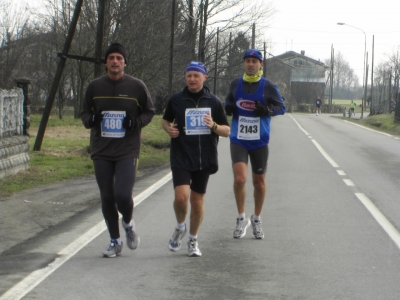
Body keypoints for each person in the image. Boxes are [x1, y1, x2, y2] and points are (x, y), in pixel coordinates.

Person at [81, 43, 155, 257]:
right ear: (106, 62)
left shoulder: (136, 86)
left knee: (122, 195)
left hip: (127, 149)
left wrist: (135, 123)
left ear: (124, 62)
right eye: (111, 58)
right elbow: (84, 114)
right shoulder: (94, 87)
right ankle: (115, 241)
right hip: (102, 149)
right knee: (106, 197)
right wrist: (92, 119)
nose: (115, 61)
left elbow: (149, 112)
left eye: (119, 58)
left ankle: (129, 224)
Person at [162, 62, 230, 257]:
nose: (192, 79)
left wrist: (214, 125)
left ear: (204, 78)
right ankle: (180, 226)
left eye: (196, 76)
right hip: (181, 154)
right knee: (181, 197)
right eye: (189, 75)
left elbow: (226, 130)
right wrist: (169, 129)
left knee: (197, 201)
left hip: (204, 156)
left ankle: (193, 239)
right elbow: (165, 120)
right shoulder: (176, 100)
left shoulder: (214, 101)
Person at [224, 49, 285, 240]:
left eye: (255, 61)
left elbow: (282, 108)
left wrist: (267, 109)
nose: (251, 64)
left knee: (259, 183)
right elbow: (228, 103)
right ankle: (241, 218)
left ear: (261, 65)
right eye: (248, 61)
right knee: (240, 179)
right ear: (244, 64)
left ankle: (256, 218)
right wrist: (228, 107)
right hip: (238, 139)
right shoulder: (235, 84)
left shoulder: (268, 86)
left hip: (259, 141)